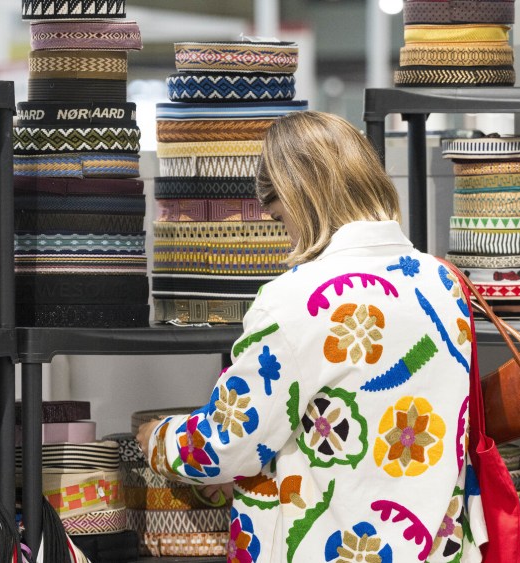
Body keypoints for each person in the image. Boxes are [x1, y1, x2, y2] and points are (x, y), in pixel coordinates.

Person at [137, 111, 489, 563]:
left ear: (298, 199)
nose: (286, 237)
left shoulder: (296, 299)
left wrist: (156, 439)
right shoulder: (443, 282)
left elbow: (229, 444)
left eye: (280, 216)